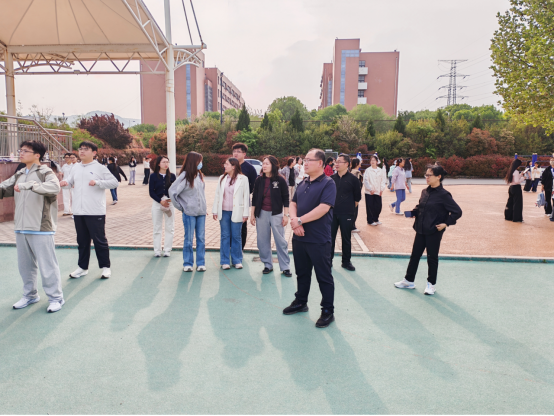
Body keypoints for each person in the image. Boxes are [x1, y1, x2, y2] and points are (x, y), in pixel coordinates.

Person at [0, 141, 65, 313]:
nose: (21, 153)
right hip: (21, 226)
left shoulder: (45, 172)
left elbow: (55, 188)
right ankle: (30, 295)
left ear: (37, 155)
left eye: (25, 151)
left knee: (47, 265)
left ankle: (56, 298)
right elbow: (4, 188)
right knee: (25, 266)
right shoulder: (20, 173)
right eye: (20, 150)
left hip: (41, 226)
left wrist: (31, 185)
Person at [284, 148, 337, 329]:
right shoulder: (303, 182)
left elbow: (323, 208)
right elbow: (293, 203)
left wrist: (299, 220)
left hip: (318, 239)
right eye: (304, 160)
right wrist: (295, 222)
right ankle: (301, 302)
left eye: (309, 160)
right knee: (302, 273)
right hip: (299, 238)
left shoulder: (328, 183)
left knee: (324, 276)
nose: (305, 163)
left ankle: (328, 311)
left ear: (320, 163)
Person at [395, 165, 462, 296]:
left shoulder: (444, 195)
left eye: (429, 175)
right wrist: (414, 212)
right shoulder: (424, 191)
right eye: (426, 175)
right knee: (415, 256)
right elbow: (421, 206)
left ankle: (431, 284)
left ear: (438, 177)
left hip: (434, 231)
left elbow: (457, 212)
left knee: (432, 258)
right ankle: (408, 281)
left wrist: (446, 224)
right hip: (420, 229)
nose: (427, 177)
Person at [59, 141, 118, 280]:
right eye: (80, 149)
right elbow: (70, 183)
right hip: (78, 212)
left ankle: (105, 267)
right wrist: (65, 184)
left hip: (95, 211)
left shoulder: (100, 168)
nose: (82, 151)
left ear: (94, 152)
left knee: (99, 240)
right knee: (82, 241)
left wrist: (97, 182)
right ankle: (82, 267)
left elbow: (114, 182)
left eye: (86, 149)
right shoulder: (76, 167)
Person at [251, 156, 292, 277]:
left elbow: (286, 198)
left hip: (276, 214)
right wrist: (252, 214)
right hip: (261, 214)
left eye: (267, 164)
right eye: (263, 163)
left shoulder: (280, 180)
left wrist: (286, 215)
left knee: (280, 241)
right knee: (262, 240)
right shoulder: (259, 180)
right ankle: (267, 264)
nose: (264, 166)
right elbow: (254, 198)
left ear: (273, 165)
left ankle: (285, 266)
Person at [169, 152, 207, 272]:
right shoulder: (185, 176)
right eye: (199, 161)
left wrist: (203, 207)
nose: (201, 163)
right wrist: (182, 207)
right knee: (189, 239)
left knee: (201, 238)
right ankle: (188, 263)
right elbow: (172, 191)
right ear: (193, 161)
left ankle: (201, 263)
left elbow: (201, 194)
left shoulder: (199, 175)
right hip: (189, 213)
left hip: (201, 213)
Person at [212, 158, 250, 269]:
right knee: (225, 236)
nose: (225, 165)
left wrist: (246, 213)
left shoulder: (243, 179)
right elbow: (217, 195)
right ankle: (224, 261)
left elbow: (246, 196)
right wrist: (215, 210)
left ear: (233, 166)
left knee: (236, 236)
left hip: (237, 211)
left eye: (227, 164)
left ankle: (237, 260)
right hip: (223, 212)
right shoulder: (222, 178)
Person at [330, 154, 362, 271]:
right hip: (332, 213)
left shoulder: (353, 179)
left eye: (339, 162)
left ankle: (346, 262)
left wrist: (348, 209)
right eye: (336, 162)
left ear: (347, 164)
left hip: (347, 214)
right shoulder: (331, 179)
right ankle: (328, 261)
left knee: (346, 238)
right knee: (330, 238)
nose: (336, 164)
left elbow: (357, 198)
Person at [149, 156, 177, 258]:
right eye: (164, 162)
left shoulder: (172, 176)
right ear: (158, 164)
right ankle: (157, 250)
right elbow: (151, 192)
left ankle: (167, 250)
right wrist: (160, 201)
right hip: (157, 203)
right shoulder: (153, 176)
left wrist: (170, 200)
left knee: (170, 227)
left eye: (167, 162)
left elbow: (175, 190)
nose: (166, 164)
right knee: (157, 227)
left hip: (169, 204)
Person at [231, 143, 257, 250]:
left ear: (244, 154)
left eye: (238, 151)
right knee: (228, 226)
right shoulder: (229, 166)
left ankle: (240, 249)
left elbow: (254, 186)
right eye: (234, 151)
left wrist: (244, 193)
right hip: (228, 202)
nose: (235, 153)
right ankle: (230, 248)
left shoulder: (250, 168)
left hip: (242, 202)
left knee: (241, 226)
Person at [363, 155, 387, 226]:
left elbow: (383, 180)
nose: (372, 161)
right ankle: (370, 220)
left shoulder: (380, 170)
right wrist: (370, 189)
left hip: (378, 191)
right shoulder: (368, 170)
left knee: (378, 206)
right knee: (370, 206)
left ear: (377, 161)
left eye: (374, 160)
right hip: (369, 192)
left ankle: (375, 218)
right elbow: (365, 180)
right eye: (371, 160)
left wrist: (381, 189)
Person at [350, 158, 363, 233]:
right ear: (356, 164)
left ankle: (351, 225)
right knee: (354, 211)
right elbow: (358, 186)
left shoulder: (350, 172)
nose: (361, 163)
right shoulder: (357, 173)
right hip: (354, 195)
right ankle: (352, 226)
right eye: (359, 162)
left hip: (350, 194)